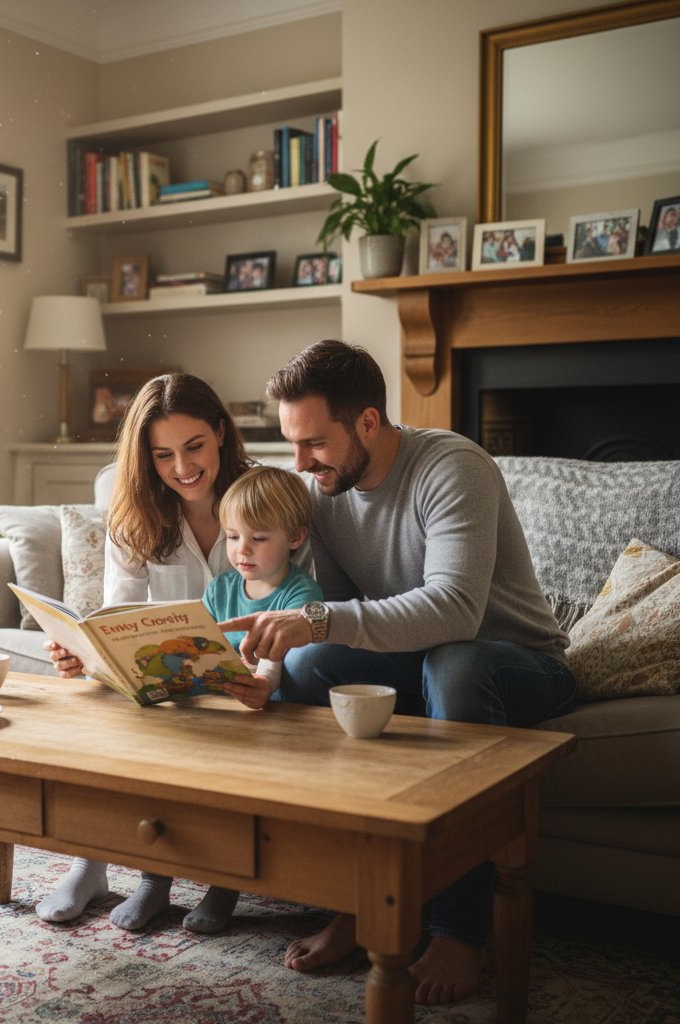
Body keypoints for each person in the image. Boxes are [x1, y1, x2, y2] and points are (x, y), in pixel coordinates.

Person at [219, 340, 576, 1006]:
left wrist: (320, 621)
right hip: (420, 661)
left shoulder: (451, 467)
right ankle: (359, 900)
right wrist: (273, 664)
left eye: (314, 443)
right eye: (291, 444)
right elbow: (343, 617)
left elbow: (457, 611)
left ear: (369, 423)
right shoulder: (321, 492)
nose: (299, 464)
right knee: (310, 661)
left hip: (518, 661)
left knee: (455, 663)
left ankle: (458, 929)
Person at [35, 372, 291, 931]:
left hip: (244, 682)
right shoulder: (135, 516)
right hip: (162, 682)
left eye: (195, 446)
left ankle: (219, 882)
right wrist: (86, 657)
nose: (183, 467)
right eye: (163, 455)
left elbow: (294, 603)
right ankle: (97, 863)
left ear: (222, 433)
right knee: (102, 708)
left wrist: (266, 674)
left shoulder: (264, 498)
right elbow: (115, 617)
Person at [176, 465, 323, 933]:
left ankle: (224, 887)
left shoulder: (301, 594)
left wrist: (263, 682)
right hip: (222, 709)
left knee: (236, 790)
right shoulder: (220, 589)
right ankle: (152, 877)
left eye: (258, 538)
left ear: (295, 537)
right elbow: (201, 646)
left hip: (276, 717)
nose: (241, 550)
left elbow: (281, 663)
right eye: (233, 536)